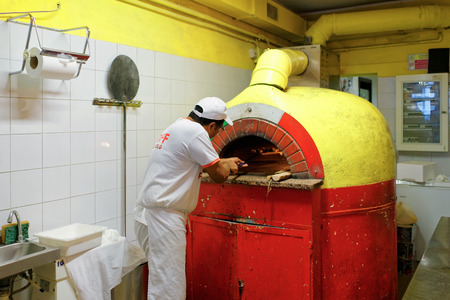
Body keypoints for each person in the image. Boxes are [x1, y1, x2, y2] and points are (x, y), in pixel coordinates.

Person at [134, 97, 245, 300]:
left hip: (149, 212)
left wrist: (224, 161)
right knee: (169, 285)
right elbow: (219, 175)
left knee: (162, 279)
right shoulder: (197, 133)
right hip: (164, 218)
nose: (217, 134)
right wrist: (226, 167)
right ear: (211, 125)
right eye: (219, 130)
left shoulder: (178, 126)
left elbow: (191, 159)